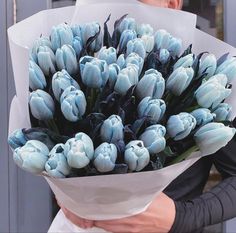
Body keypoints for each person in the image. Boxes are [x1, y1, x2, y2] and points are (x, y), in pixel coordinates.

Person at [59, 0, 236, 232]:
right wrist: (67, 196)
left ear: (172, 3)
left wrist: (182, 216)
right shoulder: (84, 57)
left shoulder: (205, 76)